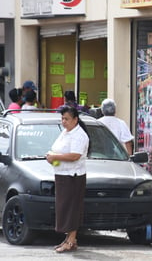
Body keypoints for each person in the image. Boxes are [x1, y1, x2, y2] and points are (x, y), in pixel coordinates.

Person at [46, 106, 90, 253]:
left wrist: (55, 157)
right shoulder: (66, 132)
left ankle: (71, 240)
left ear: (75, 120)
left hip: (73, 177)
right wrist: (51, 156)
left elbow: (75, 155)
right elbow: (58, 149)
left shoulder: (80, 135)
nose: (64, 122)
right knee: (64, 208)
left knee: (72, 208)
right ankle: (68, 239)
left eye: (67, 119)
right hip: (62, 174)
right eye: (62, 119)